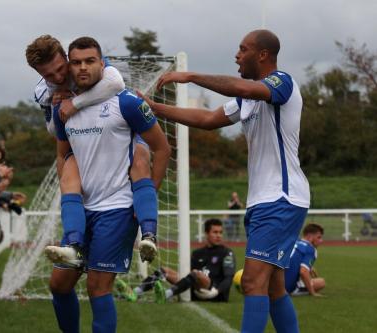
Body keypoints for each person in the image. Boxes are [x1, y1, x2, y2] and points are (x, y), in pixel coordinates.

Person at [138, 29, 310, 333]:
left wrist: (190, 77)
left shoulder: (281, 83)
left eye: (243, 49)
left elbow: (239, 88)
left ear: (263, 55)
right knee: (273, 287)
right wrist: (156, 108)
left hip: (280, 198)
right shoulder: (249, 99)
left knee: (253, 282)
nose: (236, 55)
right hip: (263, 201)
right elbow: (207, 119)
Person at [49, 36, 170, 333]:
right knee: (59, 284)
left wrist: (146, 198)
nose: (83, 67)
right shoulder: (63, 110)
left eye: (90, 61)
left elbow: (162, 148)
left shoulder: (126, 103)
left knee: (97, 287)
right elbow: (62, 155)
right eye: (76, 62)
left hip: (117, 209)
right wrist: (70, 187)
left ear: (102, 64)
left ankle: (149, 234)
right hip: (83, 209)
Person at [26, 35, 160, 265]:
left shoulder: (88, 65)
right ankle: (74, 244)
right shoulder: (43, 91)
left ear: (67, 58)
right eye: (49, 75)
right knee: (68, 172)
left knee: (140, 157)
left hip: (115, 132)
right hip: (83, 140)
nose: (58, 77)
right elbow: (52, 128)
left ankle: (149, 233)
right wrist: (58, 105)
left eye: (60, 69)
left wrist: (75, 102)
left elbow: (115, 84)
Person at [117, 218, 235, 303]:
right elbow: (186, 276)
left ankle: (166, 295)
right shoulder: (197, 253)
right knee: (163, 271)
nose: (219, 235)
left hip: (213, 292)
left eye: (220, 232)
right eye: (215, 232)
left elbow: (229, 277)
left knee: (195, 273)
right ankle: (134, 292)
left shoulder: (226, 253)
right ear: (206, 233)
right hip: (194, 288)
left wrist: (217, 291)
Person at [285, 223, 325, 297]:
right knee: (321, 282)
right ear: (310, 237)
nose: (321, 241)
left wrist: (310, 267)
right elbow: (303, 272)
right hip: (287, 288)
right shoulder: (311, 249)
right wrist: (313, 293)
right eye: (318, 237)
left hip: (274, 283)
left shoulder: (294, 242)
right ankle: (294, 289)